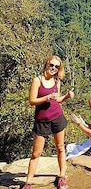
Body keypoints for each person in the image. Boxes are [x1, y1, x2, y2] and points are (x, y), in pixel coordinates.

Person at [24, 56, 74, 189]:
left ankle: (62, 176)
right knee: (36, 153)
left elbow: (56, 100)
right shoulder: (37, 80)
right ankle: (28, 183)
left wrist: (67, 96)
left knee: (60, 147)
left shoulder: (57, 80)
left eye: (57, 66)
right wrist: (46, 97)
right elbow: (31, 101)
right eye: (52, 65)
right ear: (46, 64)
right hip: (42, 120)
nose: (53, 68)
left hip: (57, 117)